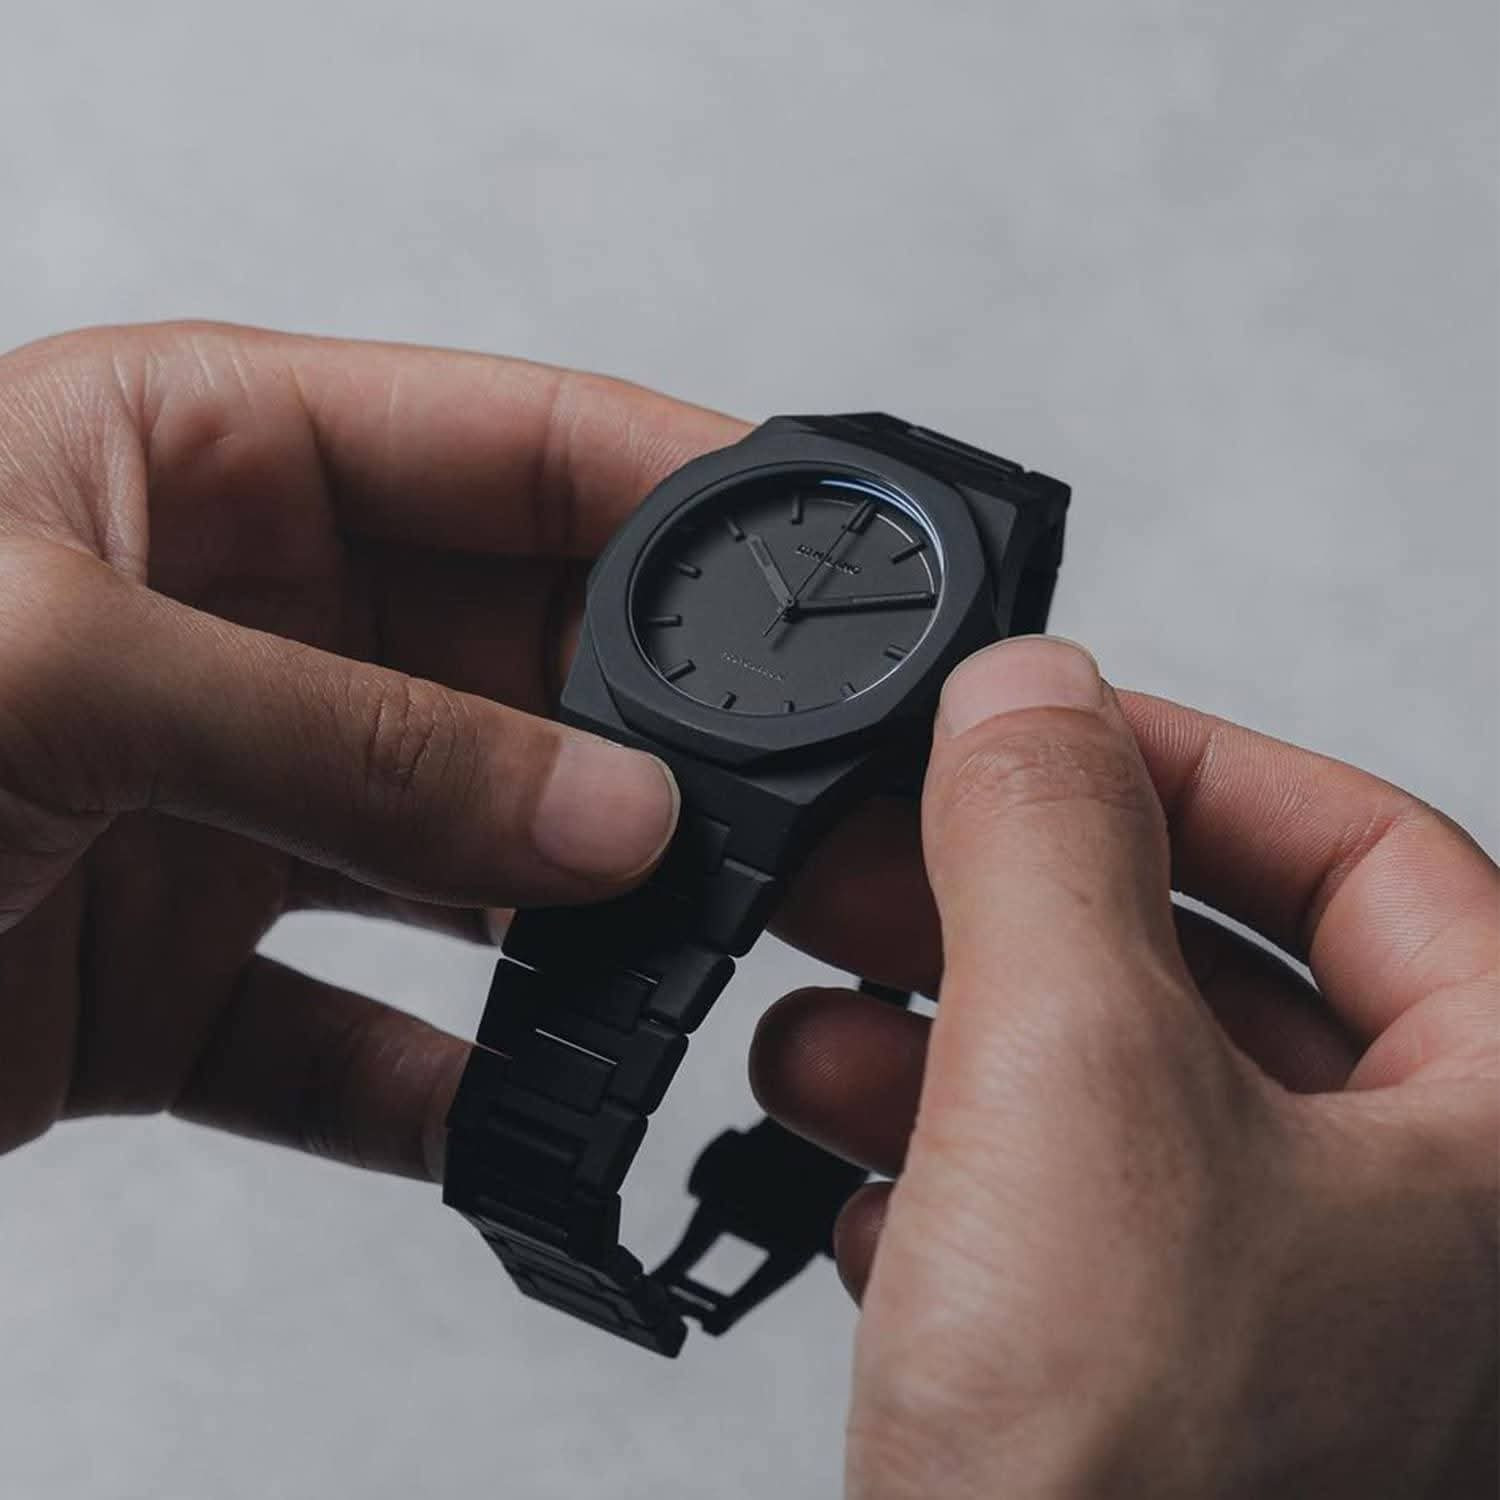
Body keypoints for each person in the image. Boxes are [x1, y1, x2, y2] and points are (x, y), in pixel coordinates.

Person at [0, 322, 1492, 1496]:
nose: (785, 607)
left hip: (746, 760)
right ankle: (544, 1204)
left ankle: (548, 1208)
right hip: (665, 724)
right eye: (771, 583)